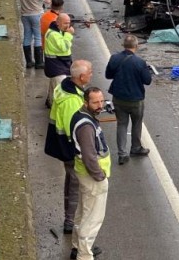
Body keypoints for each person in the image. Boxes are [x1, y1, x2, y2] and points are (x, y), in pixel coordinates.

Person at [43, 60, 93, 236]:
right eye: (90, 72)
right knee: (76, 185)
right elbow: (74, 128)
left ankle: (70, 219)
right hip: (70, 148)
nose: (91, 75)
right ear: (82, 77)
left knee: (71, 182)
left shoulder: (64, 88)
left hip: (62, 145)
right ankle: (71, 222)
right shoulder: (72, 100)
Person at [70, 87, 111, 260]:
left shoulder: (82, 116)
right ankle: (85, 255)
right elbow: (89, 156)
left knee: (83, 214)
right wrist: (100, 176)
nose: (100, 105)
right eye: (95, 102)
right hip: (93, 177)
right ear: (85, 102)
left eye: (101, 101)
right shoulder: (86, 126)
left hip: (85, 174)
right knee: (92, 219)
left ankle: (77, 247)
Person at [106, 35, 152, 165]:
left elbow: (108, 75)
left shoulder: (114, 58)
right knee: (137, 123)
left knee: (121, 124)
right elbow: (147, 81)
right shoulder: (140, 62)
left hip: (118, 98)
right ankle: (136, 148)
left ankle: (122, 154)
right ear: (136, 46)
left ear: (123, 45)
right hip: (135, 100)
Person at [16, 0, 51, 69]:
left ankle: (29, 62)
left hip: (25, 15)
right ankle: (39, 62)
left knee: (27, 36)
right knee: (37, 37)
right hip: (36, 15)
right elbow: (48, 1)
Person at [44, 13, 74, 108]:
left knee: (53, 84)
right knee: (60, 88)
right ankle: (58, 108)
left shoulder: (58, 30)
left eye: (68, 23)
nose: (67, 26)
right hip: (56, 65)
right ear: (58, 23)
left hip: (59, 63)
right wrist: (68, 34)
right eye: (65, 23)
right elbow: (64, 47)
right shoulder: (53, 34)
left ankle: (50, 101)